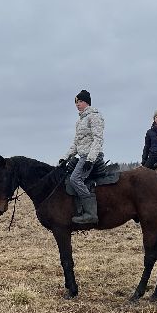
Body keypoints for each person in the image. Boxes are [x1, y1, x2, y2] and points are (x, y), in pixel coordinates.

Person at [60, 89, 104, 225]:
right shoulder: (80, 121)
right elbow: (76, 143)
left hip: (91, 156)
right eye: (76, 102)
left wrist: (90, 159)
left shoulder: (94, 116)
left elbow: (98, 139)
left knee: (75, 179)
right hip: (82, 155)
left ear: (87, 103)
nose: (77, 104)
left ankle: (91, 213)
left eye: (80, 101)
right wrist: (65, 158)